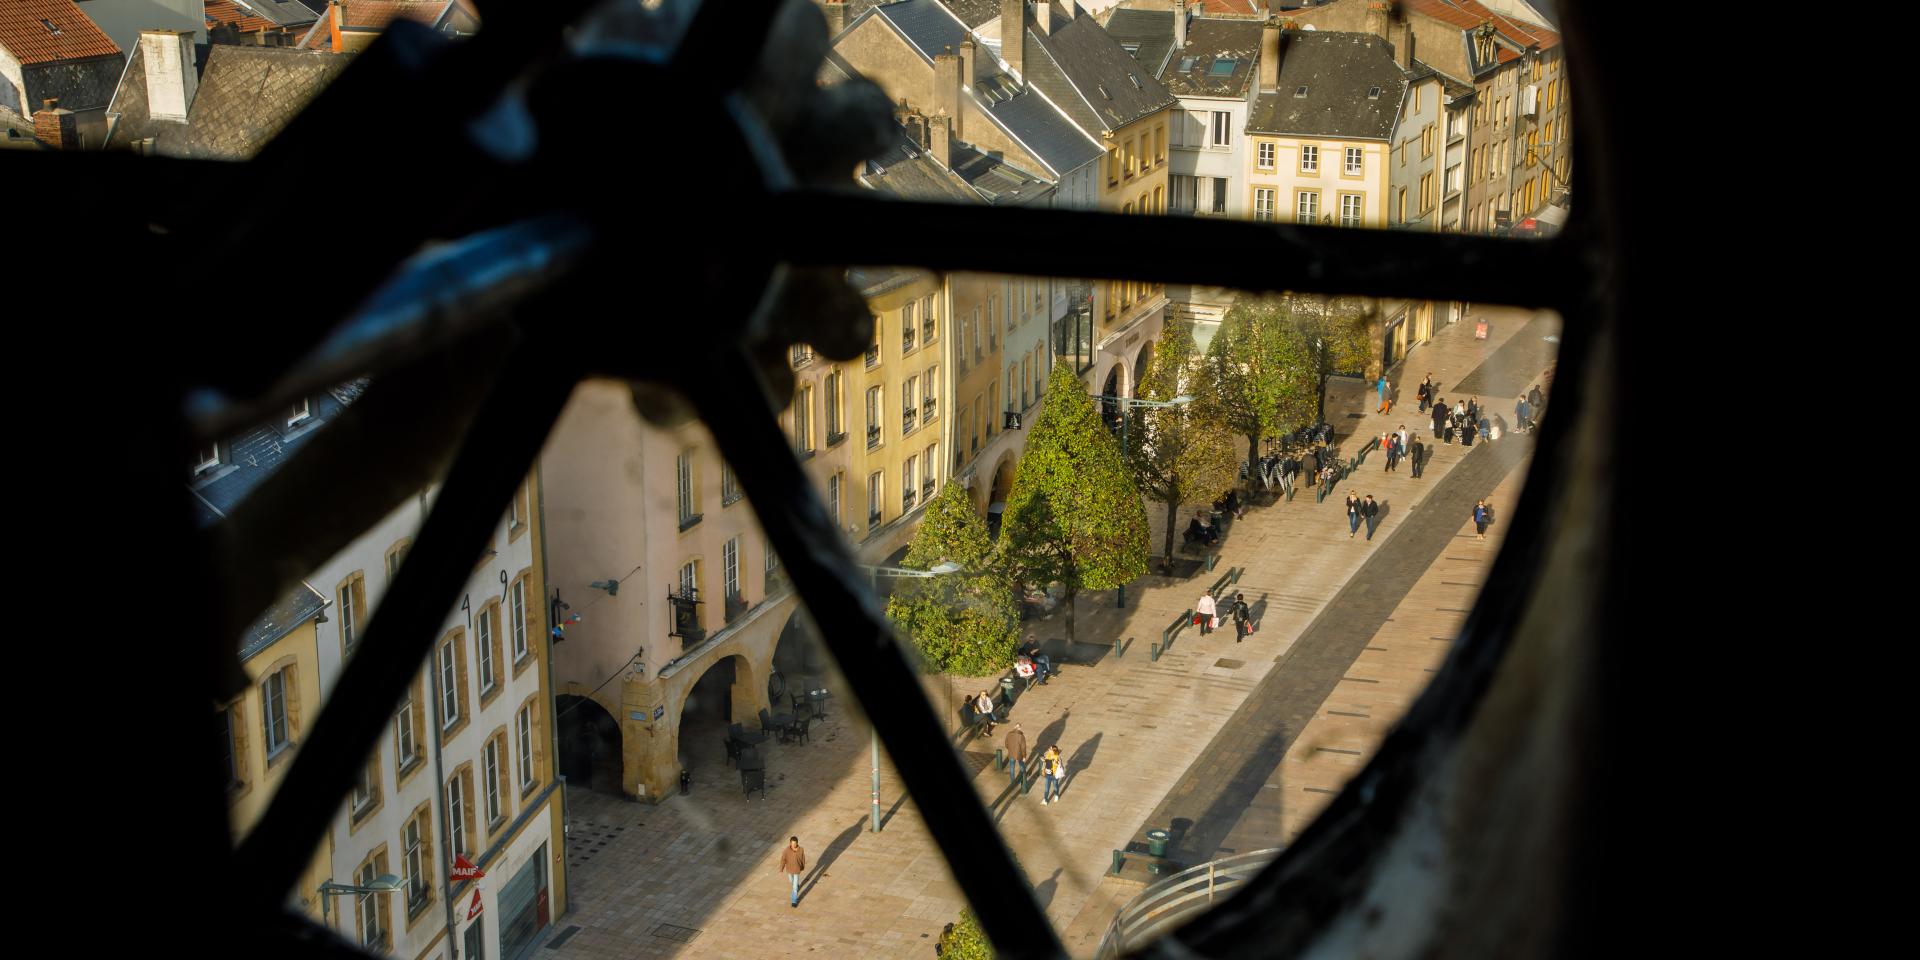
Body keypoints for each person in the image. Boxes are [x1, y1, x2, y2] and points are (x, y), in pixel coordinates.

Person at [779, 837, 807, 907]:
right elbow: (783, 860)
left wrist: (802, 866)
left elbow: (803, 859)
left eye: (795, 843)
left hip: (797, 870)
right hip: (789, 870)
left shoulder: (801, 850)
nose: (793, 845)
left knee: (794, 888)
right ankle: (796, 885)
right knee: (791, 881)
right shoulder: (786, 850)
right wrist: (781, 869)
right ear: (790, 843)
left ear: (797, 843)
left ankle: (794, 901)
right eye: (792, 843)